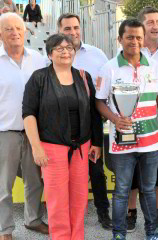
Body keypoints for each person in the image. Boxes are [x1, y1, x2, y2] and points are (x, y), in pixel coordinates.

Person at [96, 19, 158, 240]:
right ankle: (119, 233)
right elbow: (99, 101)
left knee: (148, 189)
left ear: (144, 40)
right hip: (121, 142)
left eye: (138, 37)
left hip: (151, 141)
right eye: (129, 37)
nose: (134, 41)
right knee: (122, 190)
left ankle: (152, 232)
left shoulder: (153, 67)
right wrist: (114, 118)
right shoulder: (109, 68)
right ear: (120, 39)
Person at [23, 33, 103, 240]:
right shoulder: (39, 78)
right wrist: (36, 147)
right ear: (50, 54)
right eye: (59, 48)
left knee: (79, 198)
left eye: (69, 48)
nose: (65, 52)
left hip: (82, 147)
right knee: (57, 199)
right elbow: (29, 113)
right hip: (51, 148)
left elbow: (94, 113)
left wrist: (96, 142)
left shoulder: (83, 77)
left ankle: (77, 236)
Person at [57, 12, 112, 230]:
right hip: (61, 127)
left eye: (75, 28)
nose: (72, 32)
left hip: (91, 123)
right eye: (67, 29)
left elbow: (106, 89)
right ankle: (63, 215)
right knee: (62, 175)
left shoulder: (97, 55)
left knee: (96, 171)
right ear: (59, 31)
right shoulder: (51, 56)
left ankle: (102, 212)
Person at [126, 6, 158, 233]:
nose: (156, 26)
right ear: (141, 26)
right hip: (136, 124)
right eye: (151, 22)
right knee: (134, 171)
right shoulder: (130, 52)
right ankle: (131, 212)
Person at [0, 12, 48, 240]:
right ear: (0, 33)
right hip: (4, 133)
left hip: (34, 133)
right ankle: (5, 229)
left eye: (18, 28)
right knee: (3, 186)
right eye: (8, 28)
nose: (14, 32)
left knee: (34, 181)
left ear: (26, 31)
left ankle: (32, 220)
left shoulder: (38, 59)